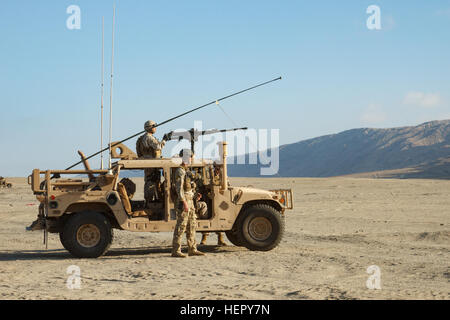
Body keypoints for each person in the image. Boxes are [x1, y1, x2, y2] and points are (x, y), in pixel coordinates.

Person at [171, 149, 205, 258]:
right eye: (191, 157)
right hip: (184, 200)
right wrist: (184, 202)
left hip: (190, 200)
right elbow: (179, 189)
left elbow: (189, 187)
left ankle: (192, 248)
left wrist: (195, 196)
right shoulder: (180, 171)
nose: (192, 159)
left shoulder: (186, 171)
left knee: (192, 225)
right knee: (181, 226)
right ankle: (176, 250)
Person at [136, 120, 165, 204]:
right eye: (154, 126)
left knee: (152, 182)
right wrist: (164, 140)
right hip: (151, 163)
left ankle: (151, 201)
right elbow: (158, 147)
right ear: (150, 128)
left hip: (148, 163)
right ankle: (150, 202)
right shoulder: (149, 137)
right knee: (151, 182)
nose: (155, 128)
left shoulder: (143, 137)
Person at [198, 162, 227, 246]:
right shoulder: (208, 175)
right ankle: (204, 238)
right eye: (216, 168)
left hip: (220, 199)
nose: (217, 169)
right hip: (209, 198)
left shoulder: (223, 177)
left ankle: (220, 239)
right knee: (207, 216)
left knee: (219, 217)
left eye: (218, 168)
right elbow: (206, 185)